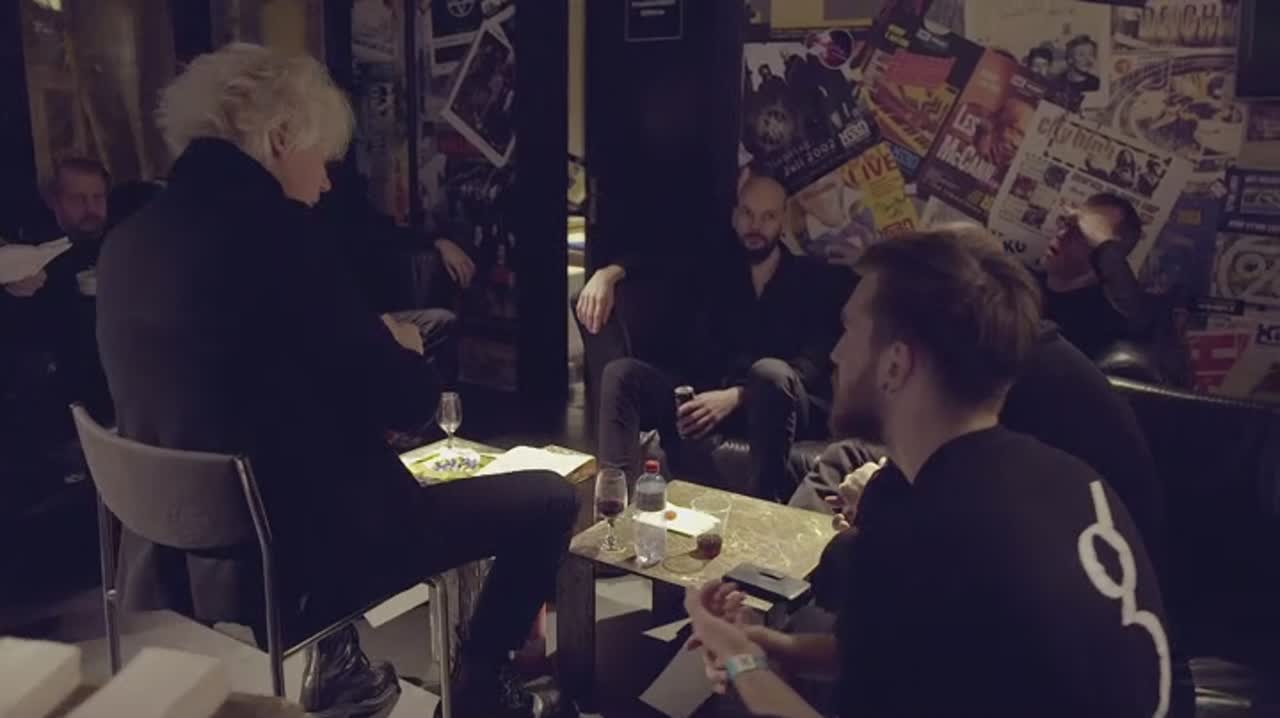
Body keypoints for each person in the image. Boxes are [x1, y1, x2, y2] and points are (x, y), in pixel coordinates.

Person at [95, 43, 577, 718]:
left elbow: (229, 376)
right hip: (298, 558)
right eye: (322, 160)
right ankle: (480, 683)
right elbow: (409, 402)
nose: (324, 183)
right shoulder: (279, 238)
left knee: (326, 461)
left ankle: (342, 669)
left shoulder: (128, 239)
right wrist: (397, 347)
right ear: (280, 137)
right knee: (550, 497)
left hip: (171, 547)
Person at [684, 227, 1172, 717]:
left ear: (896, 365)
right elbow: (908, 657)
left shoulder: (921, 534)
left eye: (849, 330)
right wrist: (775, 647)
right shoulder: (1073, 478)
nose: (836, 354)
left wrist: (741, 661)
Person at [597, 173, 850, 500]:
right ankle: (616, 504)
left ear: (784, 220)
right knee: (621, 374)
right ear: (734, 216)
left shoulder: (812, 281)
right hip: (709, 398)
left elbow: (807, 368)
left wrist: (737, 396)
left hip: (778, 406)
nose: (755, 226)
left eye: (768, 216)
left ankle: (764, 510)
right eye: (747, 213)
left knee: (770, 373)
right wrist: (609, 274)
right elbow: (658, 259)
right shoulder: (713, 269)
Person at [1, 157, 114, 422]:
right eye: (77, 199)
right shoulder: (32, 250)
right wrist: (11, 288)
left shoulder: (120, 240)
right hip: (58, 385)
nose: (91, 209)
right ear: (55, 201)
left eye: (98, 198)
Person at [1042, 192, 1189, 383]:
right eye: (1067, 224)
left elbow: (1141, 321)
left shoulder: (1106, 318)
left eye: (1081, 233)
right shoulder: (1024, 282)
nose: (1062, 235)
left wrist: (1104, 245)